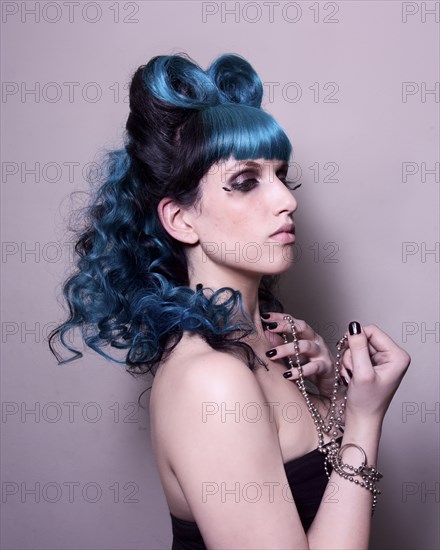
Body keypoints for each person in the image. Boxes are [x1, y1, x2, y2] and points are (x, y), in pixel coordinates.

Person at [49, 52, 411, 549]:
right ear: (181, 220)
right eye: (246, 182)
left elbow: (320, 502)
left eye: (282, 175)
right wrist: (367, 422)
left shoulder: (272, 342)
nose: (287, 199)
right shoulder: (210, 381)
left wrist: (336, 404)